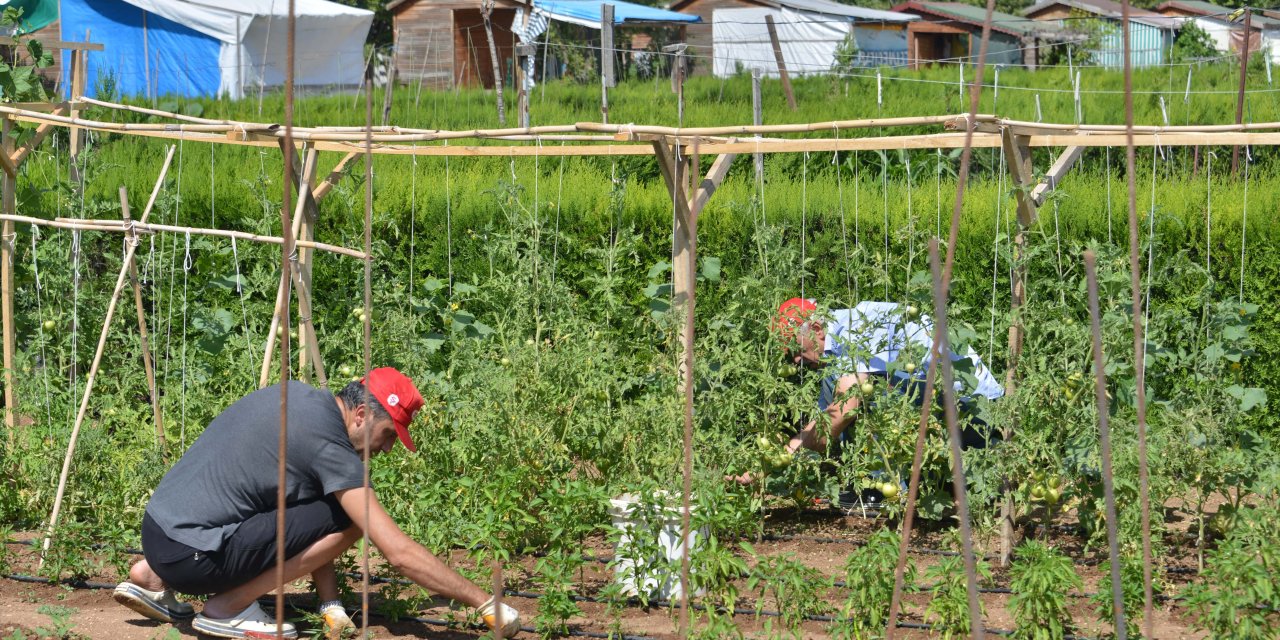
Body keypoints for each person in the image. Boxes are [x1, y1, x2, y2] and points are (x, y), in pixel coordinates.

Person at [112, 368, 520, 639]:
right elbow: (397, 553)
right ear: (361, 414)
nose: (388, 448)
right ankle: (225, 608)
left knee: (322, 509)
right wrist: (484, 602)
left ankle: (149, 576)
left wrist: (331, 601)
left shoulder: (298, 398)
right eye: (389, 434)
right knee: (355, 519)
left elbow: (305, 515)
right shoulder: (331, 448)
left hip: (161, 535)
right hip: (195, 556)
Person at [734, 299, 1004, 493]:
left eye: (795, 348)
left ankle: (881, 487)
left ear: (816, 330)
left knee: (864, 392)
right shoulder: (834, 351)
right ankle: (896, 482)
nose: (794, 359)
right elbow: (823, 425)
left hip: (975, 413)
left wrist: (783, 455)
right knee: (845, 385)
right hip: (942, 413)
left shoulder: (858, 326)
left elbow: (842, 412)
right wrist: (771, 473)